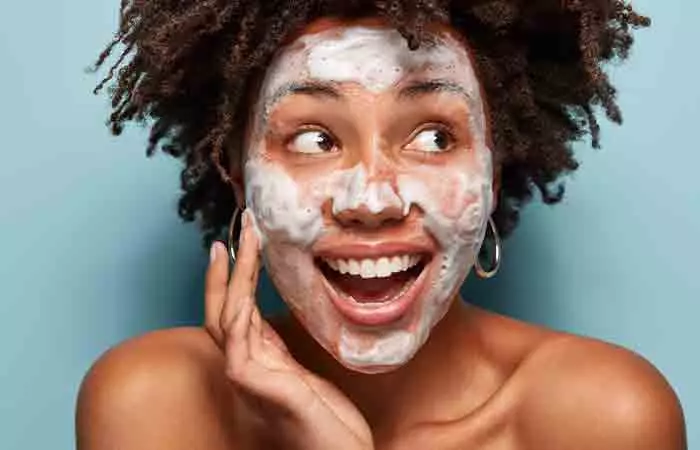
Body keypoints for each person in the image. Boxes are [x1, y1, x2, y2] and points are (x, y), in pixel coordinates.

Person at [76, 1, 686, 449]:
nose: (371, 200)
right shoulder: (153, 404)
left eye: (433, 136)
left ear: (493, 171)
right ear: (239, 176)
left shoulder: (605, 419)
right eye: (315, 139)